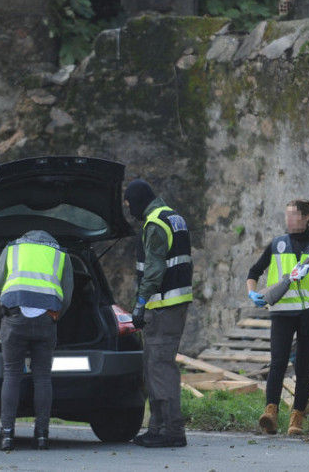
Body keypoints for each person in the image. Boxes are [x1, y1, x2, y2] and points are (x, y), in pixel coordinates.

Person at [246, 199, 309, 436]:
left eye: (293, 215)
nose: (288, 219)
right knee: (277, 363)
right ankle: (271, 412)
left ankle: (297, 417)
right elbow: (254, 272)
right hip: (282, 313)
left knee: (303, 368)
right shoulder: (277, 244)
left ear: (306, 217)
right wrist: (252, 292)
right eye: (286, 214)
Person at [0, 230, 74, 451]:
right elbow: (68, 293)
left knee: (12, 374)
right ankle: (42, 436)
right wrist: (55, 316)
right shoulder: (61, 254)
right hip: (46, 322)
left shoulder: (13, 249)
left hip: (14, 318)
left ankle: (7, 436)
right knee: (43, 378)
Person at [124, 179, 193, 448]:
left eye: (129, 204)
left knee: (160, 367)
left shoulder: (155, 222)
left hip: (162, 305)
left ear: (139, 200)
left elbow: (154, 270)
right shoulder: (174, 217)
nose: (129, 209)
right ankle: (157, 427)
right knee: (154, 366)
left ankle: (172, 430)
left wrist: (140, 304)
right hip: (172, 303)